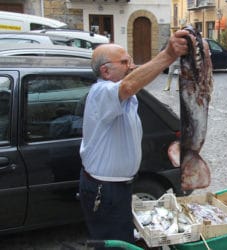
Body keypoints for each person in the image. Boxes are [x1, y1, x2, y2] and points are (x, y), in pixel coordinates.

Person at [79, 29, 191, 245]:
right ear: (105, 71)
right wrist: (168, 55)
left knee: (123, 238)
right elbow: (129, 84)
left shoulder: (125, 97)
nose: (131, 66)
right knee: (113, 242)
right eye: (125, 62)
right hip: (105, 190)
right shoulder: (101, 92)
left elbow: (133, 82)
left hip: (120, 187)